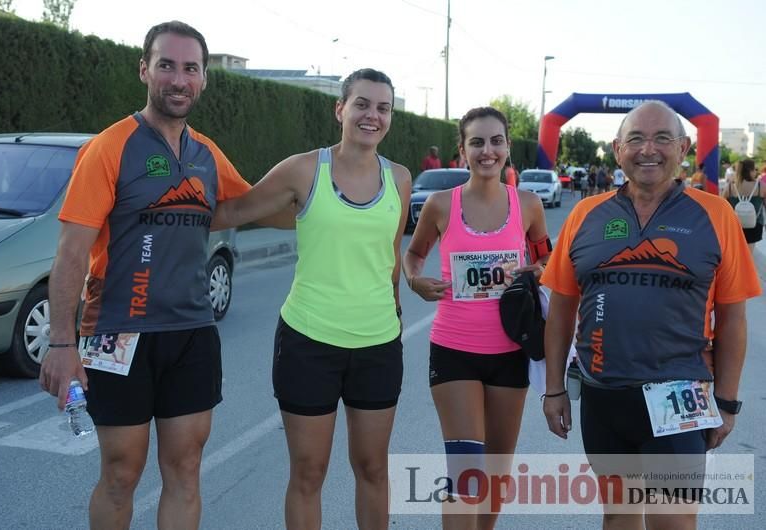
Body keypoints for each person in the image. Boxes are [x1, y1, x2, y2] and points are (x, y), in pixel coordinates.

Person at [39, 21, 252, 530]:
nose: (179, 80)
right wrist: (63, 345)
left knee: (185, 468)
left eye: (191, 69)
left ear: (203, 79)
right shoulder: (110, 147)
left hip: (191, 334)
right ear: (144, 70)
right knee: (121, 471)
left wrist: (335, 188)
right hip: (117, 330)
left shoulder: (205, 153)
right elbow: (70, 254)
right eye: (166, 65)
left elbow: (252, 203)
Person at [541, 100, 761, 530]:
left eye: (662, 138)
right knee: (619, 516)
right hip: (603, 393)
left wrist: (728, 401)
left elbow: (733, 318)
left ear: (684, 148)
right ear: (617, 148)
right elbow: (562, 309)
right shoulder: (585, 215)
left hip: (679, 395)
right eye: (636, 138)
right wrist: (553, 390)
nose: (649, 149)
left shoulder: (715, 215)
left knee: (672, 523)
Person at [213, 68, 411, 530]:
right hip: (308, 342)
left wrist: (395, 308)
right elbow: (236, 211)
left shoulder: (399, 178)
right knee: (308, 472)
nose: (372, 115)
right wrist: (159, 213)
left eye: (383, 108)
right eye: (362, 104)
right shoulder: (304, 169)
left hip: (378, 345)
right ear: (340, 109)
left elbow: (390, 257)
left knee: (373, 469)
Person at [403, 106, 549, 530]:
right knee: (468, 470)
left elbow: (548, 262)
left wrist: (537, 271)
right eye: (477, 142)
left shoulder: (529, 205)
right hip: (454, 351)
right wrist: (415, 280)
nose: (488, 151)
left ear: (507, 147)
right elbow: (413, 254)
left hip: (510, 351)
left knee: (497, 472)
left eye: (496, 141)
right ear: (462, 151)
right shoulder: (439, 204)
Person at [721, 158, 765, 254]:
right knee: (748, 255)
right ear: (751, 170)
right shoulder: (761, 186)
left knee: (735, 254)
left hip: (735, 225)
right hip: (755, 225)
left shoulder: (731, 186)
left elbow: (722, 205)